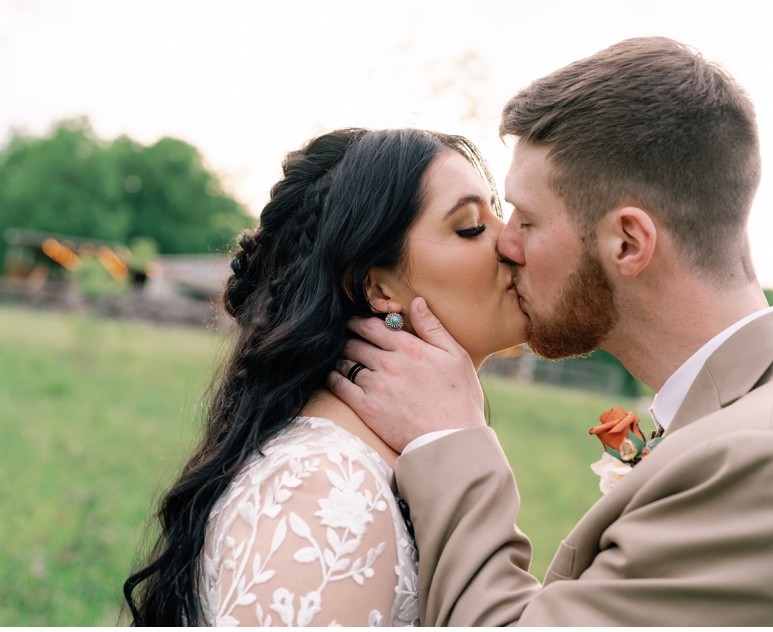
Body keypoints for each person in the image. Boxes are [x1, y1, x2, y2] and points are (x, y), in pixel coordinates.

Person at [330, 37, 773, 625]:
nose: (506, 244)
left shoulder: (769, 461)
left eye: (528, 219)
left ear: (627, 242)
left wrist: (450, 441)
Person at [122, 128, 529, 626]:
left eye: (499, 214)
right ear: (376, 286)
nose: (511, 242)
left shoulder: (397, 465)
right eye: (470, 227)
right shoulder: (326, 491)